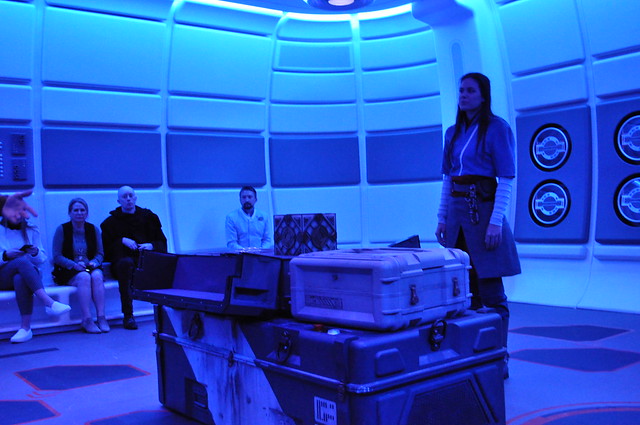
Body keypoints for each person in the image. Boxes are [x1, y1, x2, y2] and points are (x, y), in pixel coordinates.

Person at [434, 72, 521, 375]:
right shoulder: (452, 132)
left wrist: (495, 222)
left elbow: (506, 178)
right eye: (461, 90)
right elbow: (448, 178)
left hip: (483, 212)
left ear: (484, 96)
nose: (464, 95)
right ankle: (471, 358)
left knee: (492, 292)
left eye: (470, 90)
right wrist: (442, 217)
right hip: (457, 216)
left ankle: (500, 357)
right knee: (462, 292)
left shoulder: (497, 128)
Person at [0, 192, 71, 343]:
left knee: (20, 277)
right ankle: (49, 303)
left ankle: (25, 328)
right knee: (21, 262)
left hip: (27, 275)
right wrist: (5, 255)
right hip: (3, 276)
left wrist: (35, 252)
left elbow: (42, 259)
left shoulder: (31, 229)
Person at [101, 186, 167, 330]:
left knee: (165, 265)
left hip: (146, 260)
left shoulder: (149, 218)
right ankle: (128, 315)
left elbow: (162, 242)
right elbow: (106, 251)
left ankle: (165, 312)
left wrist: (151, 245)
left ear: (135, 198)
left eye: (131, 196)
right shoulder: (110, 223)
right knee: (125, 265)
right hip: (123, 264)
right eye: (125, 197)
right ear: (119, 201)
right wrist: (121, 241)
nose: (128, 199)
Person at [52, 198, 109, 334]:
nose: (79, 213)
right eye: (76, 210)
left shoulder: (93, 229)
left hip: (90, 266)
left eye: (82, 210)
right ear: (70, 213)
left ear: (87, 213)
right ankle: (87, 319)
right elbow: (57, 256)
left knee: (97, 276)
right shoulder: (62, 229)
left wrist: (94, 262)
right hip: (68, 269)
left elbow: (100, 253)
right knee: (84, 277)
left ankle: (101, 317)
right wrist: (73, 265)